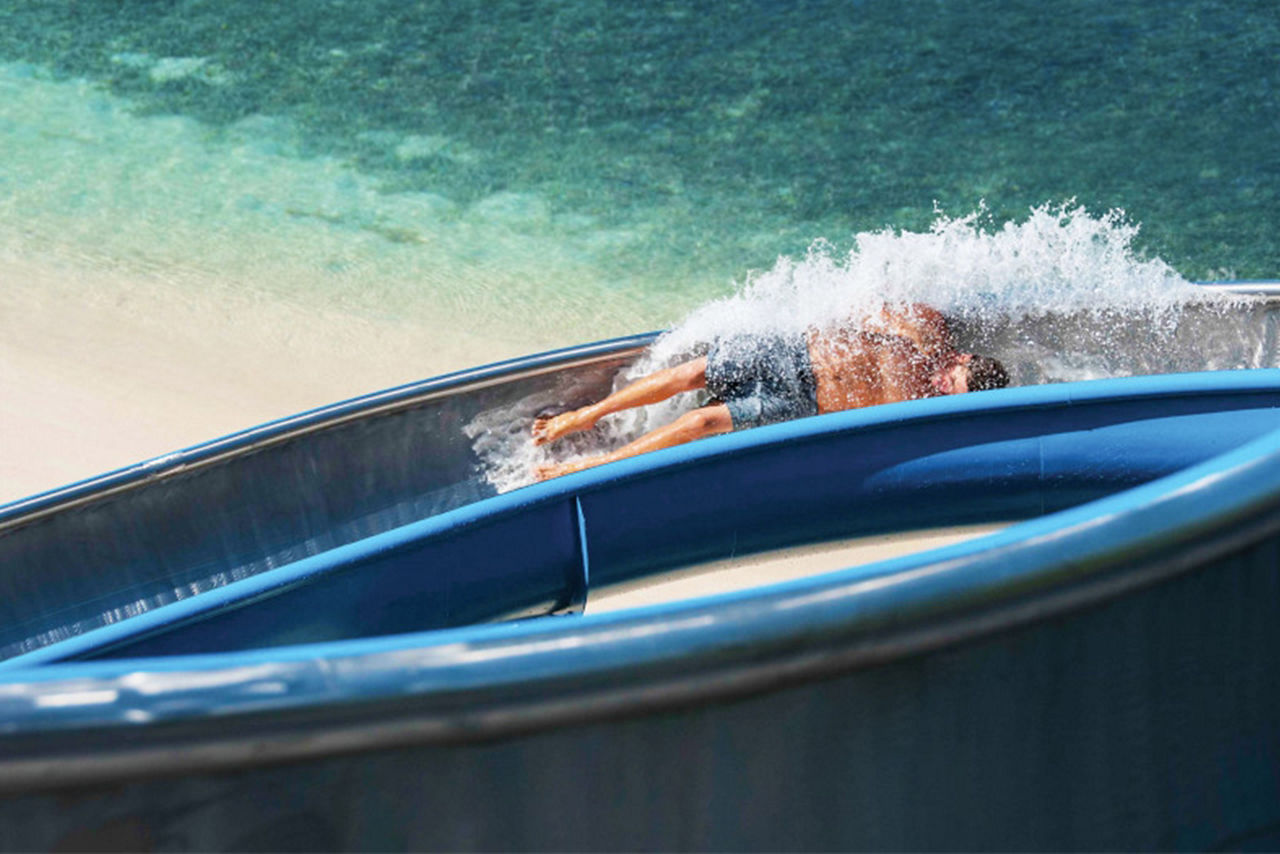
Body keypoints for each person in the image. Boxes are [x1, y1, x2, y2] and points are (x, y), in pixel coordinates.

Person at [532, 302, 1009, 480]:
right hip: (794, 351)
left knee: (699, 423)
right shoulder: (927, 336)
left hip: (799, 404)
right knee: (689, 376)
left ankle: (593, 465)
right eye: (952, 378)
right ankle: (586, 414)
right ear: (960, 359)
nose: (942, 388)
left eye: (953, 394)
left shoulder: (927, 412)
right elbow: (876, 302)